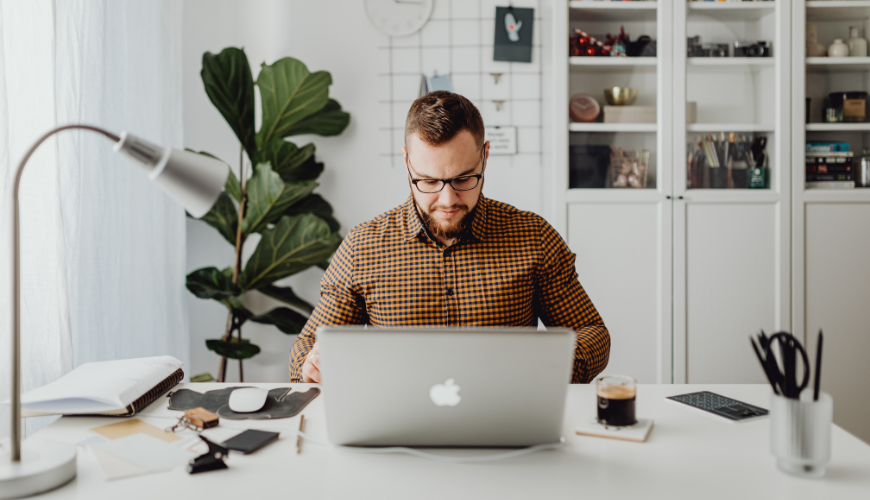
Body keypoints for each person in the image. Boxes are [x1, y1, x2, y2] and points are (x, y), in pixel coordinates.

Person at [288, 91, 609, 383]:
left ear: (485, 156)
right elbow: (309, 344)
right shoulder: (363, 247)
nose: (447, 200)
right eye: (428, 181)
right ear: (406, 162)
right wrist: (311, 364)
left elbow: (592, 333)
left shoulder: (533, 237)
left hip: (507, 423)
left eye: (463, 178)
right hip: (395, 429)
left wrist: (555, 366)